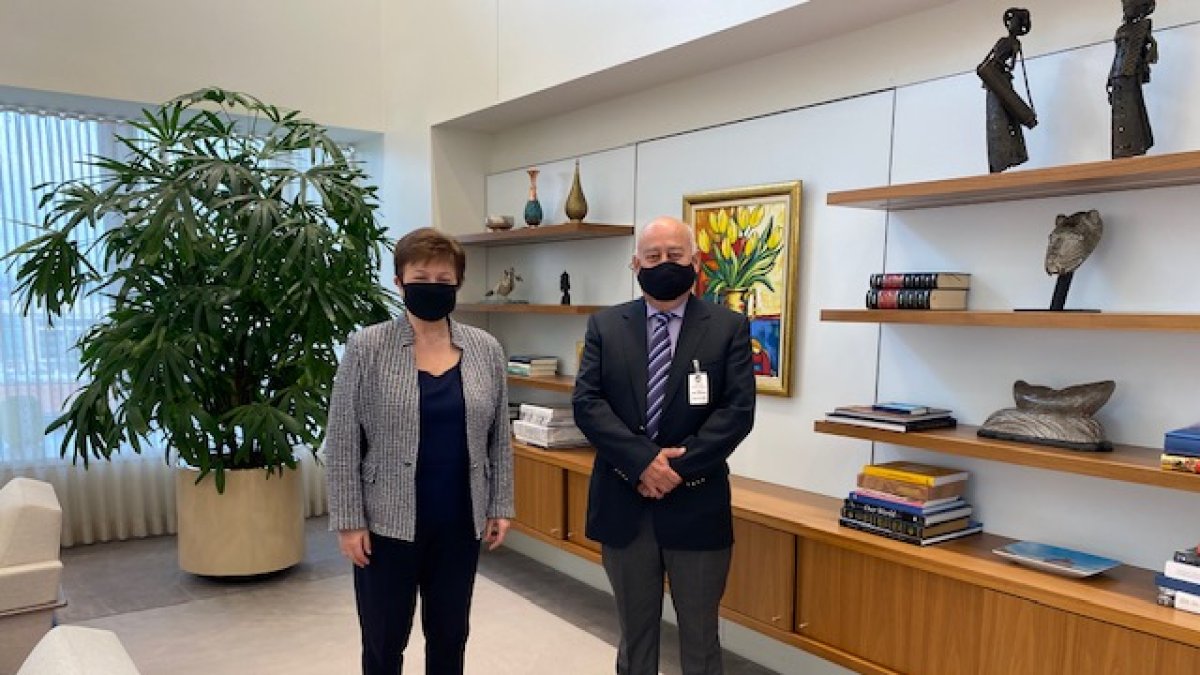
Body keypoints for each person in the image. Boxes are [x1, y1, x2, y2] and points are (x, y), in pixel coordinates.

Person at [325, 227, 514, 675]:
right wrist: (349, 521)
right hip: (387, 522)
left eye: (443, 278)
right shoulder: (367, 346)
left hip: (459, 521)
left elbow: (498, 438)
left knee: (450, 636)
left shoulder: (485, 349)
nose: (432, 286)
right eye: (421, 276)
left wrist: (500, 504)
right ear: (399, 282)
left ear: (457, 284)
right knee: (384, 639)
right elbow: (343, 438)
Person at [572, 216, 756, 675]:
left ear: (695, 261)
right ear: (635, 263)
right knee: (635, 638)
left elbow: (737, 411)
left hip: (697, 500)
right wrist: (643, 464)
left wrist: (675, 467)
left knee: (700, 639)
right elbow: (588, 403)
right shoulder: (605, 325)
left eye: (675, 255)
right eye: (653, 256)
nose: (663, 263)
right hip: (624, 501)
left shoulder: (728, 327)